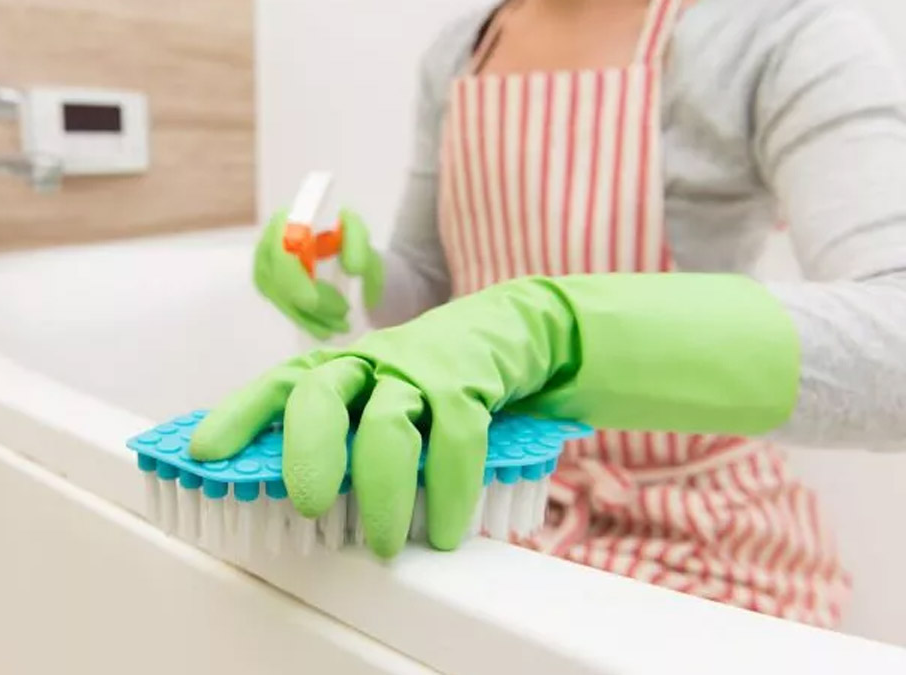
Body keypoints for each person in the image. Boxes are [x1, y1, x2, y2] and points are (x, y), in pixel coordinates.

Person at [192, 0, 906, 628]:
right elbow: (433, 279)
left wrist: (559, 330)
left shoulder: (780, 34)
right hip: (480, 500)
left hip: (703, 532)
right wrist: (355, 277)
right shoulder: (461, 53)